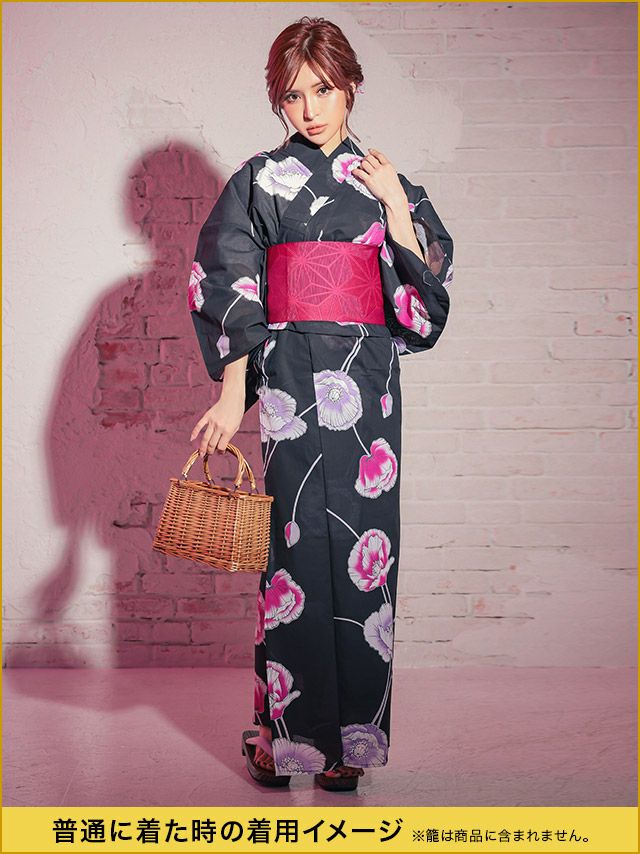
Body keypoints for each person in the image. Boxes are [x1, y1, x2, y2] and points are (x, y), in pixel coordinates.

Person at [188, 15, 453, 791]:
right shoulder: (259, 180)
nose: (309, 110)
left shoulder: (387, 182)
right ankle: (286, 741)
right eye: (294, 95)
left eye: (324, 90)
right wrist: (232, 394)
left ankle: (349, 748)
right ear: (279, 100)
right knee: (295, 556)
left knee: (367, 555)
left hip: (367, 384)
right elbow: (231, 284)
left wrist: (394, 206)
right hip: (291, 381)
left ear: (351, 87)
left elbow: (422, 308)